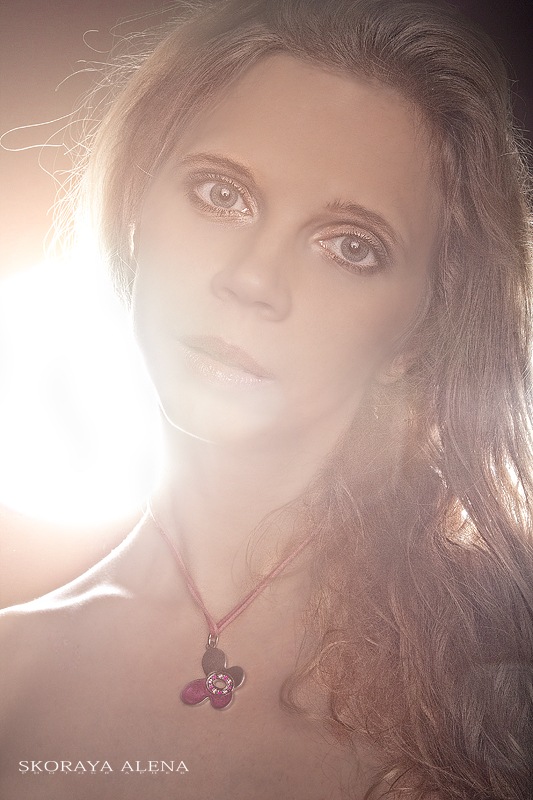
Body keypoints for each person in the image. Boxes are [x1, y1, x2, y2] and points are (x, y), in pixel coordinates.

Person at [1, 0, 532, 797]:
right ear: (135, 211)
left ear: (420, 335)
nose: (252, 278)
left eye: (349, 246)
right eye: (221, 194)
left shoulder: (506, 665)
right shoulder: (12, 674)